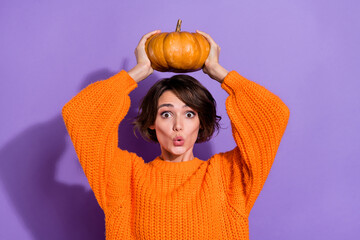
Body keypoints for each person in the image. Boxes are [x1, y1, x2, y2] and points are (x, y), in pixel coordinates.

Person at [62, 29, 290, 239]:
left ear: (201, 122)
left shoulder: (228, 177)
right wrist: (135, 73)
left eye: (189, 114)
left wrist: (221, 74)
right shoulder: (125, 177)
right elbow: (79, 114)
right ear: (152, 121)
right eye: (166, 114)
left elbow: (274, 115)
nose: (178, 125)